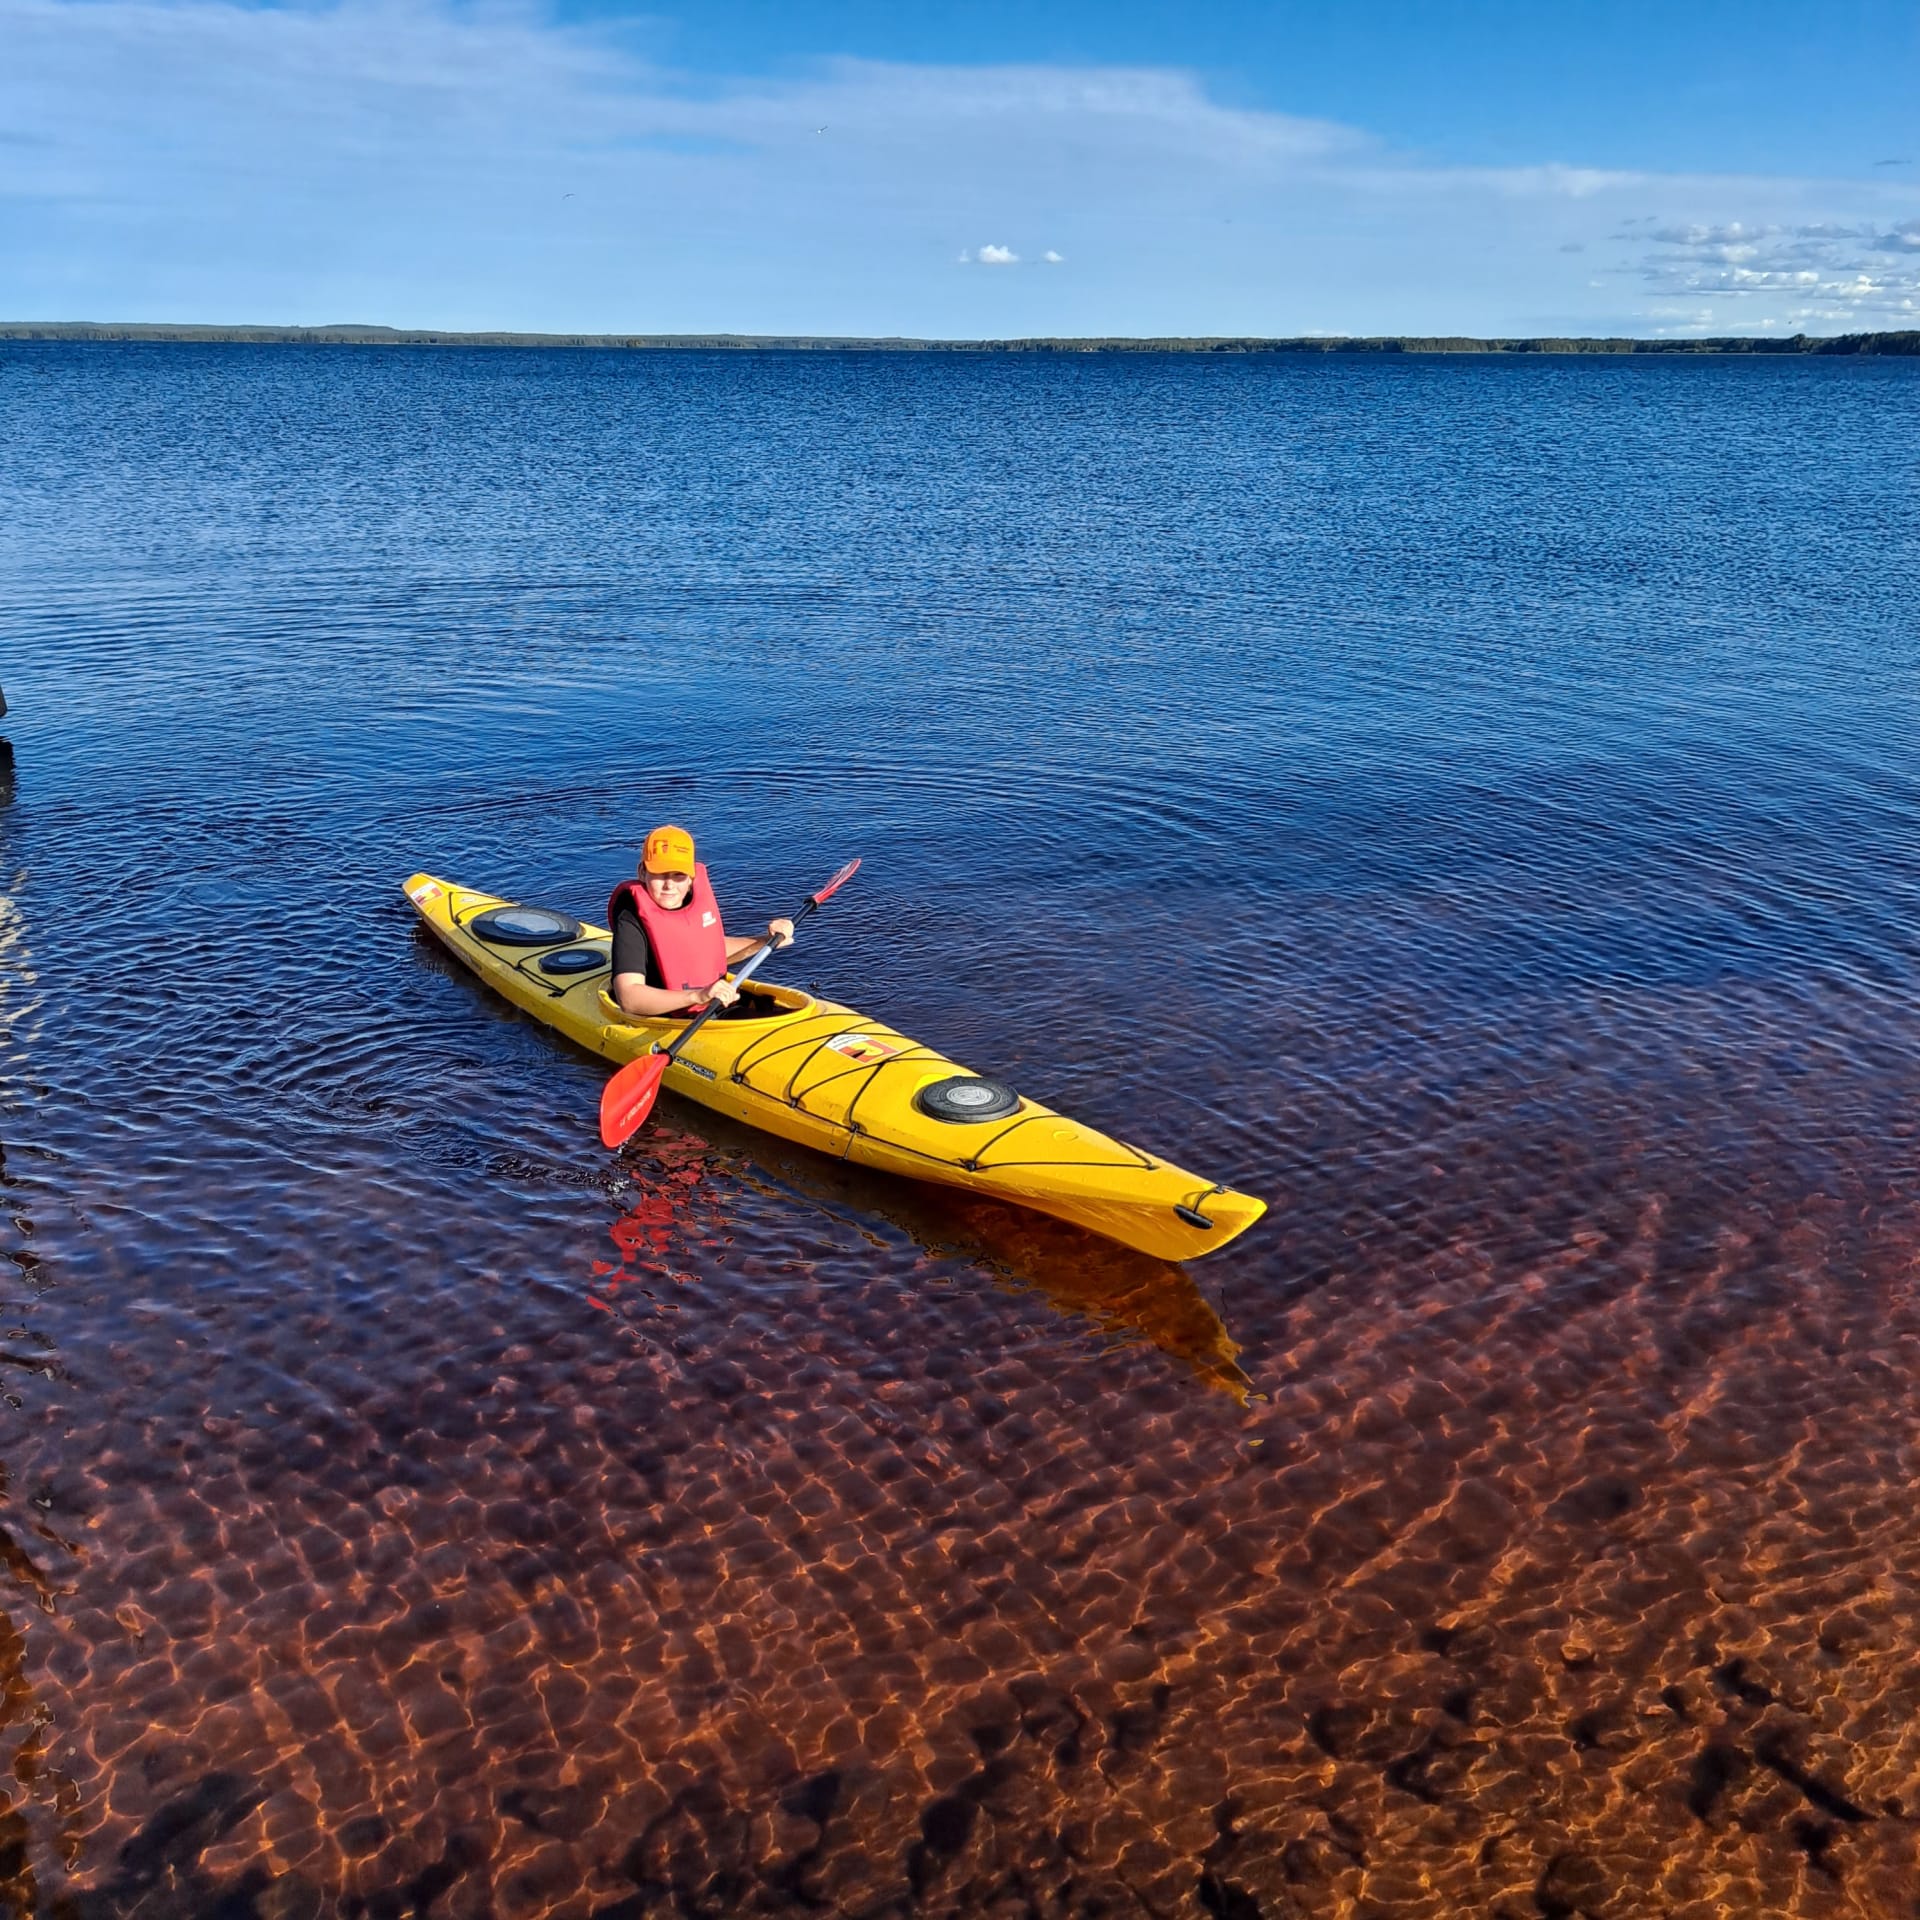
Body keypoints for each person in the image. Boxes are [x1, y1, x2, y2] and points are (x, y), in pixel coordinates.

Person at [608, 824, 794, 1020]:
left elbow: (710, 950)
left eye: (678, 875)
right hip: (670, 1017)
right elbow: (629, 998)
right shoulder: (631, 916)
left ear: (690, 878)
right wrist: (698, 995)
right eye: (660, 873)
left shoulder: (694, 902)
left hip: (715, 1005)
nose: (669, 885)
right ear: (642, 873)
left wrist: (766, 941)